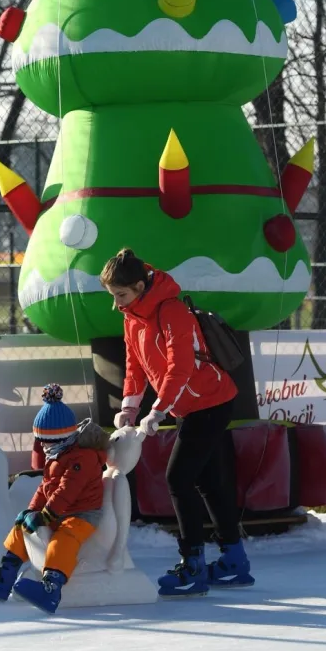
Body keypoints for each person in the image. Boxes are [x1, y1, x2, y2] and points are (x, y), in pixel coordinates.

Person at [100, 247, 254, 596]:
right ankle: (234, 561)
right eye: (113, 296)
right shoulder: (131, 317)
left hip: (210, 403)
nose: (116, 303)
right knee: (208, 482)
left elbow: (180, 367)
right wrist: (129, 407)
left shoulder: (171, 311)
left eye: (121, 294)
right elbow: (135, 366)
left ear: (139, 286)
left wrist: (158, 411)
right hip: (190, 407)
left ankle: (192, 565)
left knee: (178, 478)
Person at [0, 383, 107, 614]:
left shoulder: (82, 459)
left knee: (63, 539)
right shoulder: (57, 456)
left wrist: (44, 516)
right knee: (22, 526)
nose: (42, 446)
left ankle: (51, 587)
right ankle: (6, 573)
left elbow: (66, 491)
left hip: (82, 514)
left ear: (61, 438)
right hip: (60, 510)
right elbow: (46, 487)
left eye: (45, 441)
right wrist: (31, 511)